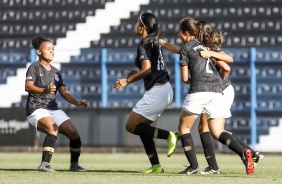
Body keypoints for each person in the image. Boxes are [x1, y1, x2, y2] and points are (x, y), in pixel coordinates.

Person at [161, 20, 263, 175]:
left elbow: (227, 66)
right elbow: (180, 49)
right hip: (216, 90)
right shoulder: (202, 47)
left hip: (220, 88)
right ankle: (244, 155)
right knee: (214, 130)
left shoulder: (209, 49)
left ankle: (200, 167)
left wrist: (213, 80)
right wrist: (163, 42)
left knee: (189, 127)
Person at [114, 12, 179, 173]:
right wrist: (134, 73)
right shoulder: (155, 41)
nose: (135, 25)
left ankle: (170, 135)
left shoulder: (144, 43)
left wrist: (126, 81)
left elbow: (147, 69)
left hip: (158, 90)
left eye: (138, 23)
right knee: (143, 127)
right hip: (164, 89)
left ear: (143, 26)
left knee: (130, 125)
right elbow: (150, 68)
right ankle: (156, 165)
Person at [25, 35, 88, 172]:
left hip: (52, 108)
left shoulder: (56, 72)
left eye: (53, 49)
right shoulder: (34, 67)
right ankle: (44, 165)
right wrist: (44, 90)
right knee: (53, 129)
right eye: (48, 49)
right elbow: (28, 86)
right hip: (36, 108)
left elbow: (64, 92)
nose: (51, 51)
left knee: (74, 134)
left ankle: (74, 165)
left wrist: (77, 102)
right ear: (39, 52)